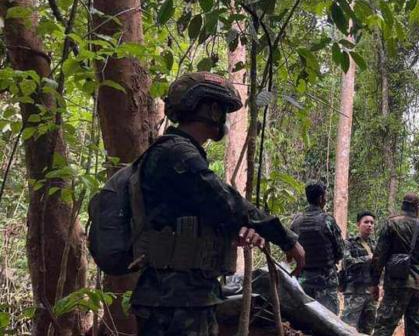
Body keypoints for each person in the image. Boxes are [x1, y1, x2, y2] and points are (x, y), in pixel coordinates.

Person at [131, 72, 305, 335]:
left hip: (184, 295)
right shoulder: (178, 153)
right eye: (223, 109)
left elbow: (202, 214)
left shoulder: (177, 151)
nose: (225, 118)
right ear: (212, 110)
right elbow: (226, 201)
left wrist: (229, 233)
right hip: (175, 299)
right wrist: (285, 238)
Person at [371, 193, 419, 336]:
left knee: (383, 328)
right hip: (418, 285)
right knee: (413, 329)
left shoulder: (391, 224)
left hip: (396, 283)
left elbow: (379, 256)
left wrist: (374, 283)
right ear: (418, 208)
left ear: (402, 206)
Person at [290, 182, 344, 314]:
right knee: (329, 320)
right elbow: (340, 251)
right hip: (326, 281)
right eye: (325, 196)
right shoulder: (327, 220)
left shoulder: (296, 221)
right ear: (321, 198)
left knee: (305, 319)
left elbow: (289, 248)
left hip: (303, 280)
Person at [341, 211, 379, 334]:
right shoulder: (349, 243)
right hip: (354, 292)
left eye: (372, 223)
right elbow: (347, 263)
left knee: (367, 329)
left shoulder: (375, 244)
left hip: (370, 293)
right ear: (358, 224)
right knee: (348, 328)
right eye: (366, 222)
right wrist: (368, 258)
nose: (370, 225)